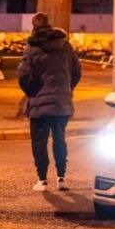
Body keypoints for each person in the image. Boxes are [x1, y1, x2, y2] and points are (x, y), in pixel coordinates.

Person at [18, 12, 81, 192]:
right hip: (62, 101)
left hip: (39, 102)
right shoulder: (65, 45)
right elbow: (77, 72)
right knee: (60, 139)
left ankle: (42, 180)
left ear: (33, 26)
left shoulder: (32, 48)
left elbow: (23, 75)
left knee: (39, 141)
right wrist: (67, 90)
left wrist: (32, 92)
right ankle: (61, 178)